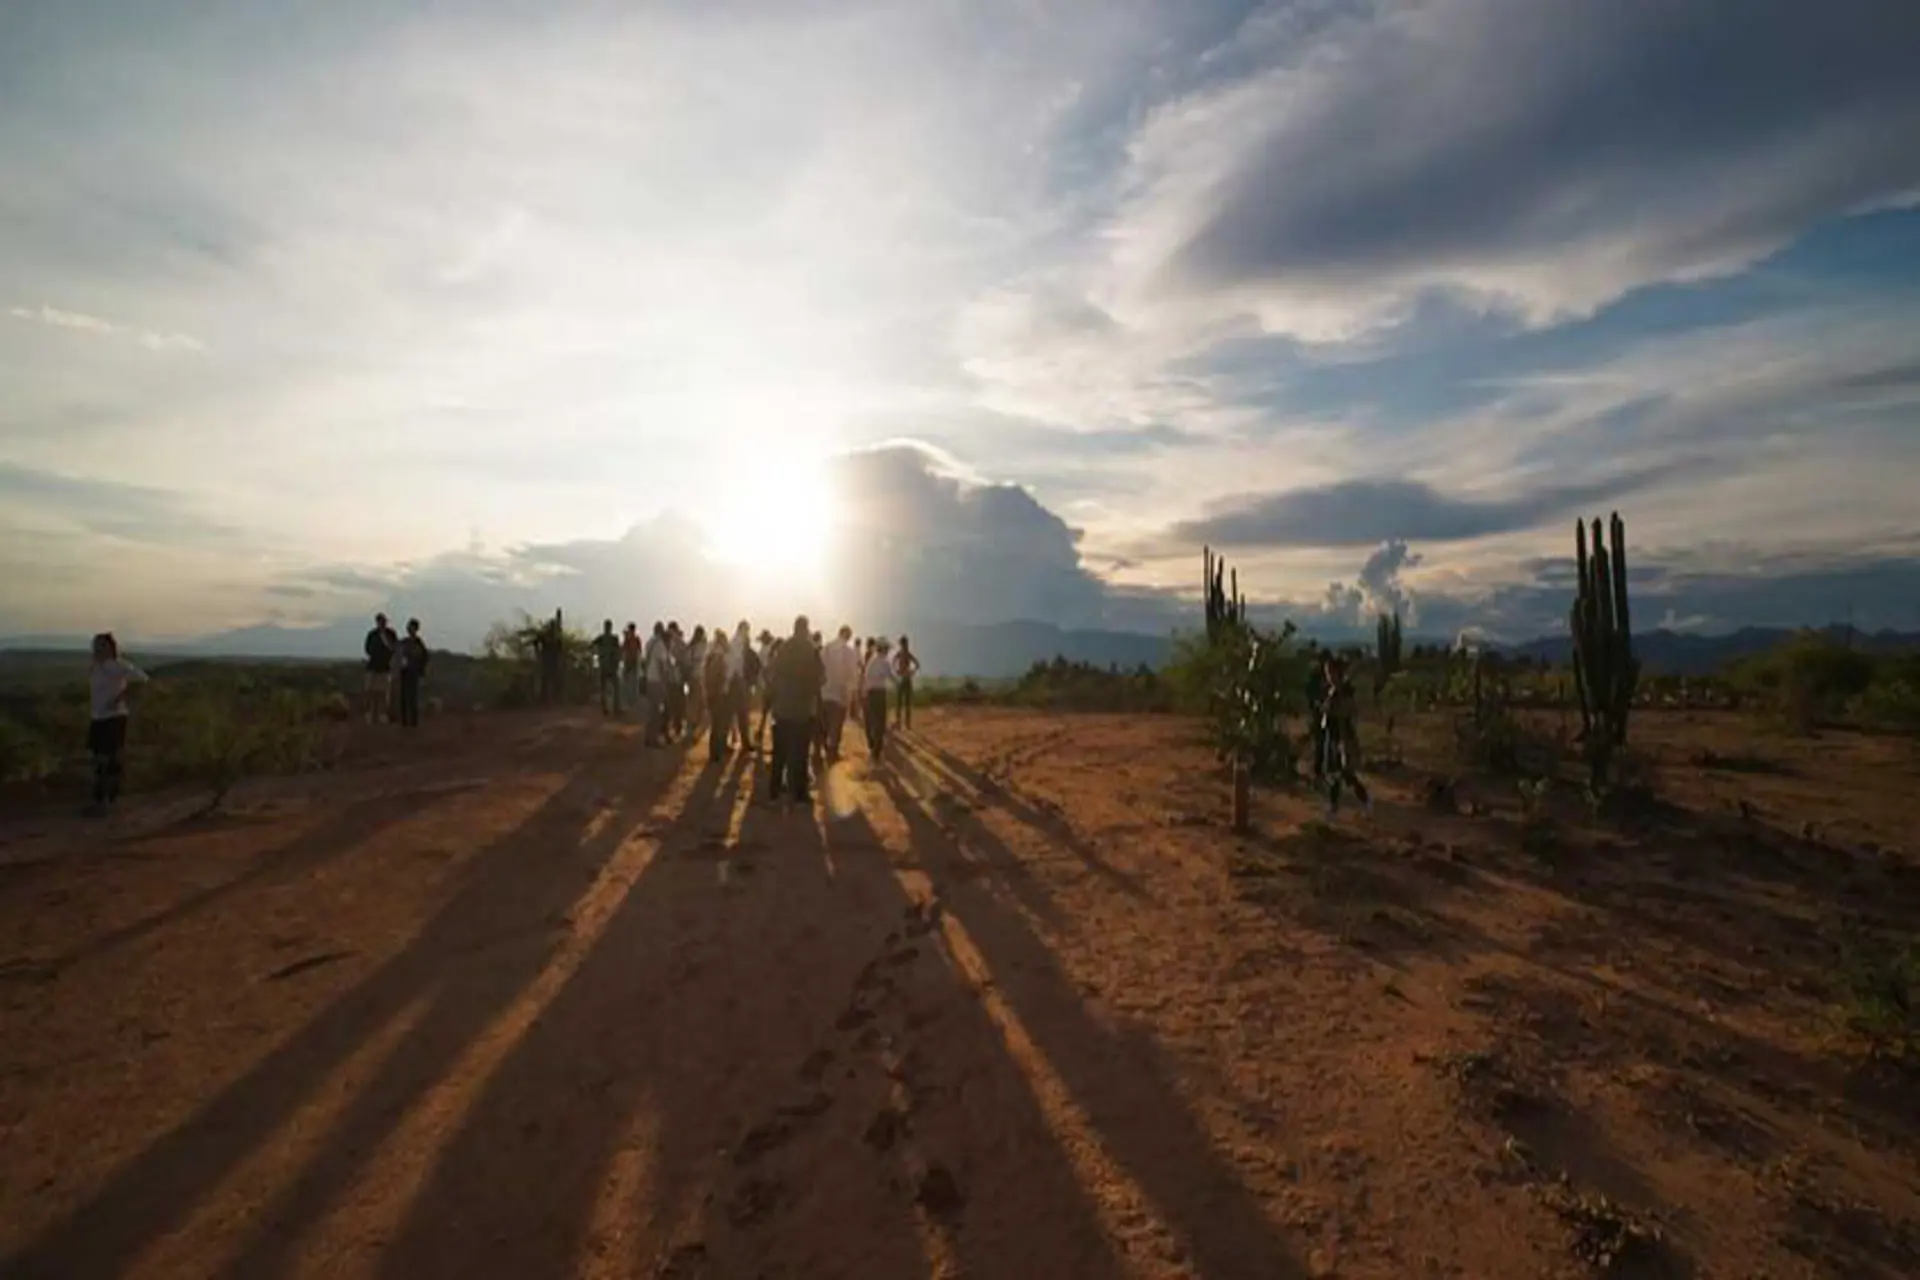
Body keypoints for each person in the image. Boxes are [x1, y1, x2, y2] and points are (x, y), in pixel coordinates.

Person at [86, 632, 147, 817]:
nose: (97, 649)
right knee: (99, 759)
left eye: (101, 645)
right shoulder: (97, 667)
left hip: (113, 718)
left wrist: (120, 698)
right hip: (98, 718)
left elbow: (141, 678)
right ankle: (100, 801)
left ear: (110, 648)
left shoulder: (117, 665)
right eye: (95, 645)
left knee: (110, 759)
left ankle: (110, 801)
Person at [765, 615, 824, 807]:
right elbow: (821, 678)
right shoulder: (811, 650)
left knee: (779, 754)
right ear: (806, 629)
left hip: (782, 710)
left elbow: (771, 674)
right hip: (802, 712)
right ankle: (799, 796)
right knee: (800, 754)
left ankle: (774, 794)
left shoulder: (783, 648)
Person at [1320, 654, 1372, 818]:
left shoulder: (1344, 693)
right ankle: (1337, 807)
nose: (1328, 676)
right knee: (1335, 774)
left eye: (1330, 672)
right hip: (1331, 735)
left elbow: (1348, 713)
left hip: (1342, 737)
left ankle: (1363, 801)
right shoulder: (1333, 691)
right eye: (1327, 672)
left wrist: (1336, 707)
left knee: (1344, 774)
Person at [820, 625, 860, 763]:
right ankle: (832, 754)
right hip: (839, 695)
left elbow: (819, 668)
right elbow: (852, 675)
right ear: (848, 636)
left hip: (823, 693)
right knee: (835, 727)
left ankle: (824, 750)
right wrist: (853, 696)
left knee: (824, 725)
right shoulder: (849, 652)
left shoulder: (826, 648)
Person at [703, 631, 733, 762]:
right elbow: (716, 678)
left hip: (712, 694)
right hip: (717, 695)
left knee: (716, 724)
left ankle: (716, 752)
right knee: (718, 724)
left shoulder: (711, 656)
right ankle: (715, 753)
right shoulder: (718, 658)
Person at [362, 612, 398, 724]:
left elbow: (394, 648)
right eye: (379, 621)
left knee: (383, 693)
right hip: (373, 666)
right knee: (370, 691)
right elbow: (367, 649)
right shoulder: (372, 634)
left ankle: (383, 714)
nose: (381, 623)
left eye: (383, 621)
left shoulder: (390, 634)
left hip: (385, 667)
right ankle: (370, 714)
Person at [863, 636, 893, 760]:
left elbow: (866, 677)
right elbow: (890, 676)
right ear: (884, 649)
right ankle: (876, 753)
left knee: (872, 722)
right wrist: (898, 683)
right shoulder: (884, 662)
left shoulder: (871, 661)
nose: (888, 651)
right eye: (887, 649)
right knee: (880, 724)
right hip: (879, 693)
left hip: (870, 693)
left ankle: (872, 747)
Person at [397, 618, 431, 729]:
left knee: (412, 697)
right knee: (403, 696)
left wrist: (420, 669)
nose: (409, 629)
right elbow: (397, 654)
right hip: (404, 671)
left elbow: (424, 657)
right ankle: (404, 721)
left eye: (411, 627)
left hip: (413, 672)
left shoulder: (418, 643)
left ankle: (413, 721)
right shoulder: (404, 642)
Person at [643, 622, 673, 746]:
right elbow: (661, 665)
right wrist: (664, 682)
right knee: (656, 712)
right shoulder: (659, 644)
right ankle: (652, 739)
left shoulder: (649, 642)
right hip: (657, 680)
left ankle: (649, 736)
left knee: (652, 711)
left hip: (649, 679)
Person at [1304, 648, 1330, 784]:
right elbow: (1310, 693)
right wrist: (1317, 704)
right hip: (1317, 713)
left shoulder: (1330, 675)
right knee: (1319, 744)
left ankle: (1323, 771)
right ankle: (1317, 772)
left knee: (1327, 743)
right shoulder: (1315, 675)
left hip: (1329, 713)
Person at [593, 619, 622, 716]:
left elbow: (618, 652)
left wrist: (598, 653)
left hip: (606, 665)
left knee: (606, 688)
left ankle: (608, 708)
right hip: (609, 666)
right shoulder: (612, 639)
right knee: (612, 688)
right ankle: (613, 708)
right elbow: (618, 652)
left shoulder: (603, 639)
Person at [893, 635, 922, 729]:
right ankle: (904, 723)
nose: (902, 645)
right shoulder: (903, 653)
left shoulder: (904, 654)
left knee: (902, 702)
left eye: (902, 643)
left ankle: (903, 723)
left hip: (904, 679)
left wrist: (899, 670)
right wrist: (910, 671)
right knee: (903, 702)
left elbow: (917, 664)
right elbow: (917, 664)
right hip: (905, 678)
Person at [687, 625, 710, 733]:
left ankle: (692, 725)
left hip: (694, 676)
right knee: (698, 703)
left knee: (695, 703)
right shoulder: (701, 646)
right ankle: (693, 726)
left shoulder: (691, 646)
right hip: (698, 677)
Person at [621, 622, 643, 716]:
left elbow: (623, 649)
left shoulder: (632, 639)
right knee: (632, 682)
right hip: (631, 662)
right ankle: (632, 700)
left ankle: (631, 701)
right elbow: (639, 651)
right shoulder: (635, 639)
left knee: (629, 682)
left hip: (630, 662)